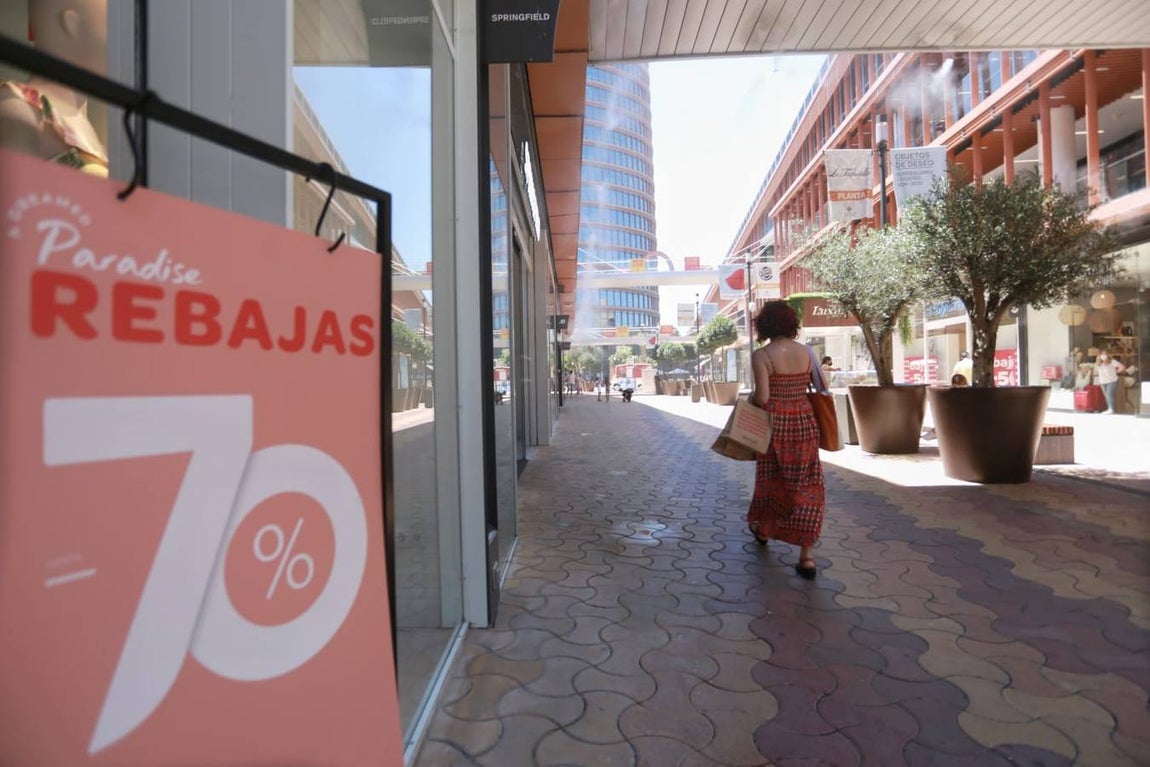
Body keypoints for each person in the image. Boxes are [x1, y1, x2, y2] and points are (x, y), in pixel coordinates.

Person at [746, 300, 826, 580]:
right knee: (807, 482)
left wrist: (748, 401)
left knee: (771, 480)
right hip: (804, 421)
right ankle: (807, 556)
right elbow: (820, 386)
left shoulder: (762, 355)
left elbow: (762, 398)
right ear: (792, 323)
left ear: (764, 325)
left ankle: (764, 530)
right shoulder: (807, 352)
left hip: (775, 425)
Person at [0, 0, 110, 177]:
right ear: (71, 24)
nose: (125, 44)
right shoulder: (19, 110)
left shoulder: (86, 126)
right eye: (112, 28)